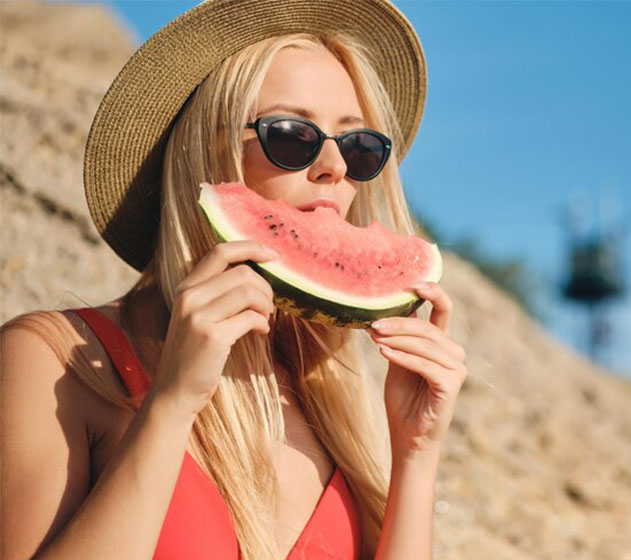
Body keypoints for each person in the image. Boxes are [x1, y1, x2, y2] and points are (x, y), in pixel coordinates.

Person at [0, 1, 468, 559]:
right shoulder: (50, 360)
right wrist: (172, 404)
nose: (336, 168)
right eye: (293, 136)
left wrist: (416, 452)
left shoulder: (324, 396)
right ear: (205, 151)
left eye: (359, 147)